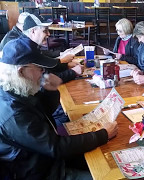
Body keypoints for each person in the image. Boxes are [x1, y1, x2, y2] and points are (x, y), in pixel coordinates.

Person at [0, 37, 118, 179]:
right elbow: (56, 147)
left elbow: (45, 114)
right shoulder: (13, 113)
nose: (43, 71)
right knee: (109, 174)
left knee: (111, 159)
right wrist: (103, 134)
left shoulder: (17, 89)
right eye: (38, 67)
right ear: (21, 72)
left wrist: (51, 91)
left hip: (47, 158)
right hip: (43, 171)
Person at [0, 13, 81, 83]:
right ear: (33, 31)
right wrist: (73, 72)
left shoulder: (26, 43)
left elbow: (46, 67)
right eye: (45, 31)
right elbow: (45, 80)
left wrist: (66, 66)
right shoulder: (25, 48)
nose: (49, 34)